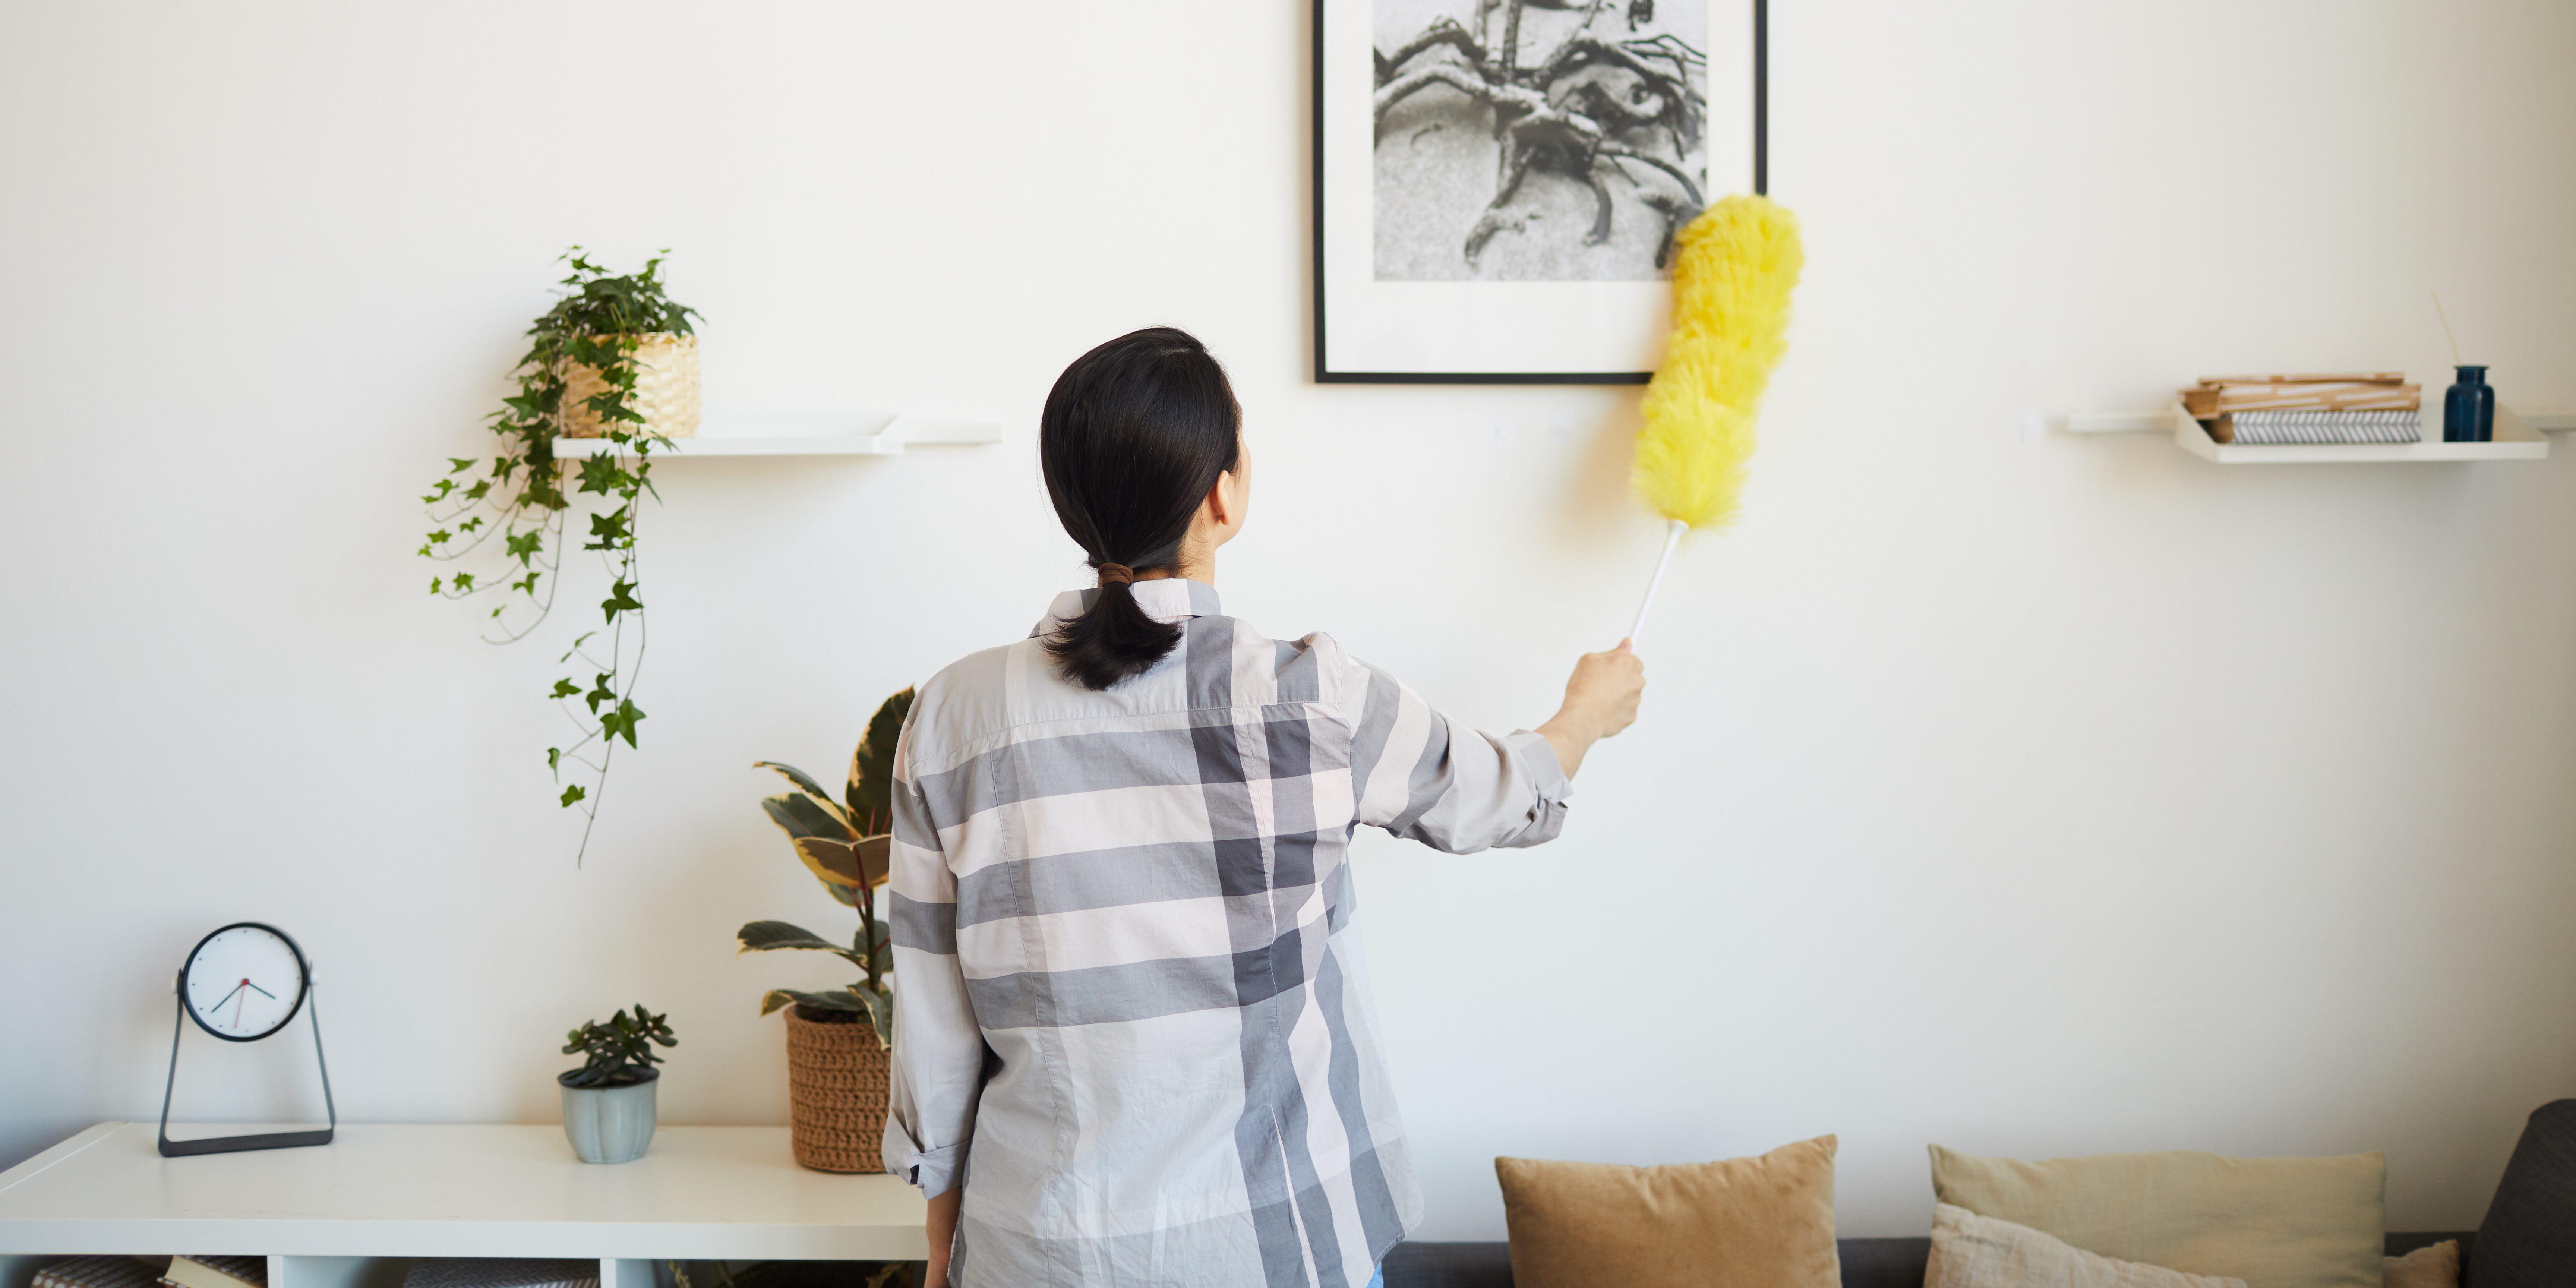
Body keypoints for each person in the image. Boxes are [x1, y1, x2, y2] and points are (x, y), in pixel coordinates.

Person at [881, 326, 1647, 1288]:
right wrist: (1585, 715)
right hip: (1286, 1251)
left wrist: (940, 1251)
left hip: (1045, 1253)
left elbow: (934, 1030)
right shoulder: (1315, 699)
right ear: (1224, 492)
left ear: (1073, 505)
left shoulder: (952, 717)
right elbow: (1499, 800)